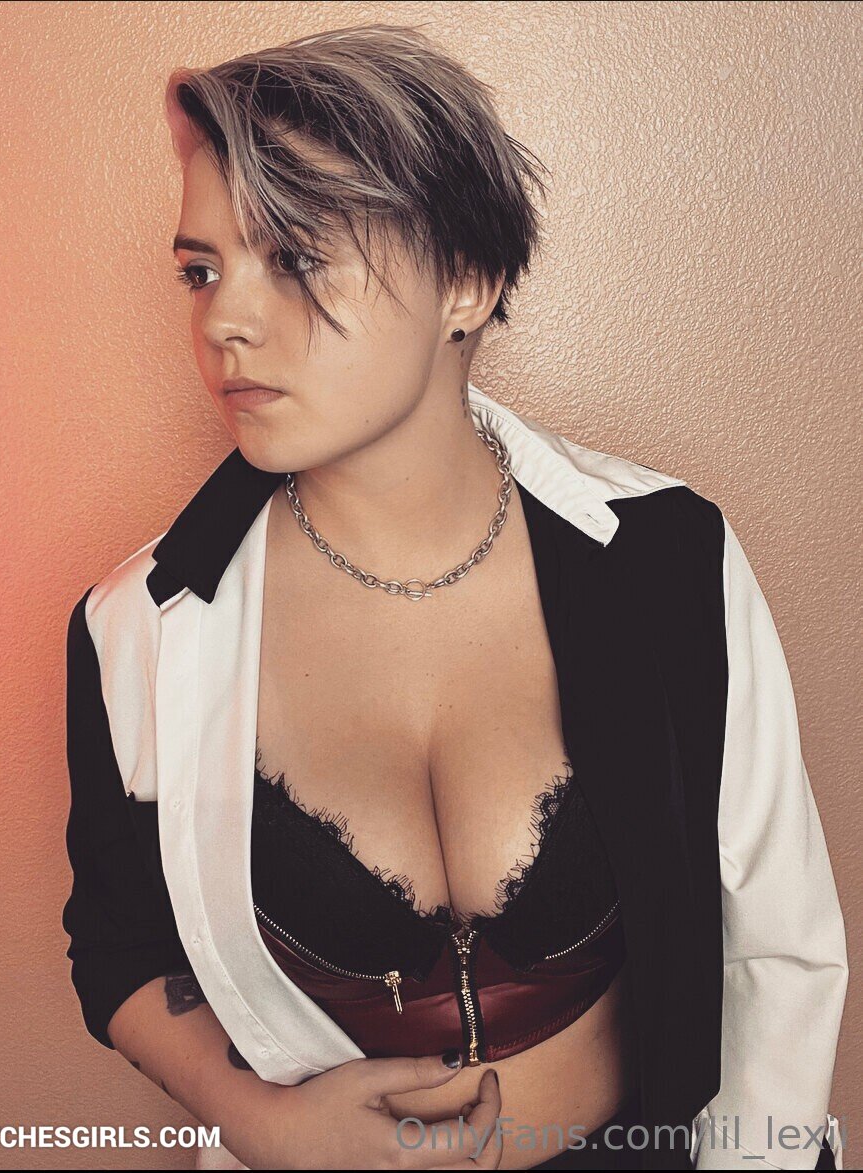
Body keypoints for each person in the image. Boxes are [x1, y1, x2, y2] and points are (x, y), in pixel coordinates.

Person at [62, 22, 847, 1172]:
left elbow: (774, 944)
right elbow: (117, 944)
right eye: (203, 269)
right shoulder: (141, 626)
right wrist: (255, 1120)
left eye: (297, 257)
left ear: (467, 283)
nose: (223, 319)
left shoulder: (661, 555)